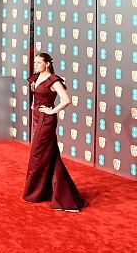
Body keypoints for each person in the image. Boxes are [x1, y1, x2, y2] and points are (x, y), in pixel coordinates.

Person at [23, 52, 86, 211]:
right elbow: (36, 96)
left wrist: (52, 111)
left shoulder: (53, 80)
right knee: (50, 156)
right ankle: (59, 194)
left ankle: (39, 193)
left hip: (46, 121)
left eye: (38, 63)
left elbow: (66, 100)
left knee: (37, 156)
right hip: (37, 119)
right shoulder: (36, 78)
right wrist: (34, 106)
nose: (35, 65)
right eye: (35, 62)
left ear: (47, 64)